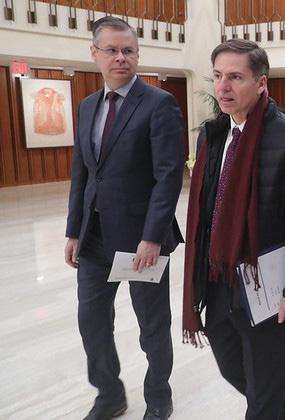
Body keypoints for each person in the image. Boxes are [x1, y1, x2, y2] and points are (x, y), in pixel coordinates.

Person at [181, 39, 285, 420]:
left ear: (261, 83)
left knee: (261, 399)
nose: (223, 87)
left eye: (235, 77)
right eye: (218, 77)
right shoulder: (213, 135)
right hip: (219, 279)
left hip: (265, 287)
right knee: (232, 368)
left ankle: (276, 403)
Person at [64, 16, 185, 420]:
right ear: (94, 53)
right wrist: (73, 231)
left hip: (141, 241)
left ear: (137, 55)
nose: (121, 57)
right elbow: (83, 174)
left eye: (128, 50)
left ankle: (159, 397)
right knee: (92, 321)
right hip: (94, 238)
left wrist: (152, 236)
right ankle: (109, 394)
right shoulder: (87, 106)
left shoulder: (159, 103)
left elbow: (168, 176)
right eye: (112, 50)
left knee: (152, 325)